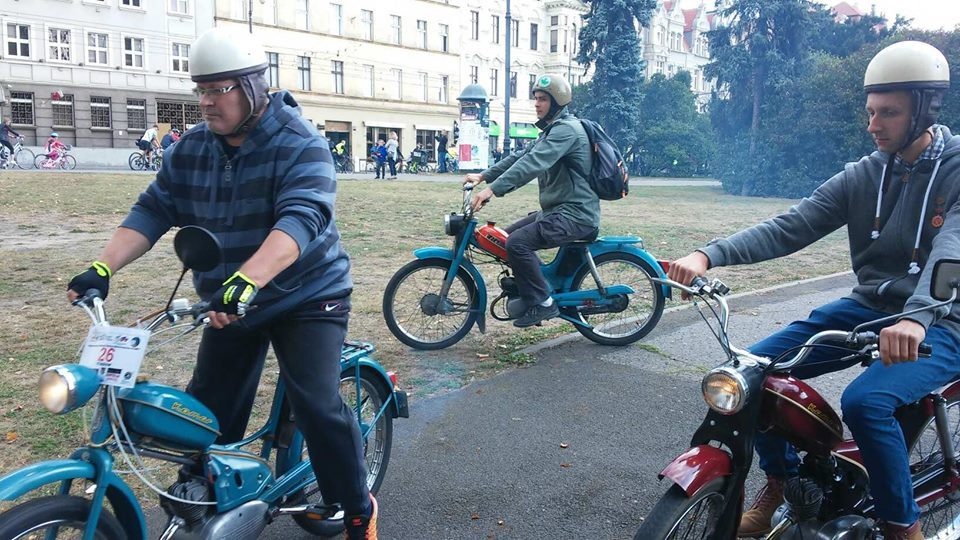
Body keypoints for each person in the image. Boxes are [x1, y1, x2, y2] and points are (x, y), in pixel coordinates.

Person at [65, 27, 378, 540]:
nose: (206, 102)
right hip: (232, 299)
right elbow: (154, 209)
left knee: (316, 404)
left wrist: (249, 279)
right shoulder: (191, 149)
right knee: (209, 408)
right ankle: (200, 502)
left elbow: (304, 217)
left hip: (308, 294)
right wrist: (103, 267)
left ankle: (359, 509)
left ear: (254, 87)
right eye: (201, 90)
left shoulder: (301, 142)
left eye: (219, 89)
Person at [667, 41, 959, 540]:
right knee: (750, 374)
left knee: (867, 403)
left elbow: (951, 251)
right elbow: (791, 225)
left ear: (925, 108)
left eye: (888, 112)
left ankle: (901, 528)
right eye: (870, 111)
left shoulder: (955, 169)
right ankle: (785, 482)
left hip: (943, 318)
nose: (874, 124)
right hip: (869, 308)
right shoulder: (864, 175)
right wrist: (708, 254)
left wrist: (917, 317)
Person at [463, 74, 599, 328]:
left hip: (575, 215)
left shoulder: (566, 131)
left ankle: (544, 303)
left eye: (543, 99)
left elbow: (532, 165)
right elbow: (521, 156)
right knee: (503, 237)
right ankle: (537, 286)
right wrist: (483, 176)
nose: (537, 104)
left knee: (517, 243)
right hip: (559, 211)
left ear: (558, 103)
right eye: (536, 99)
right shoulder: (552, 131)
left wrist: (492, 190)